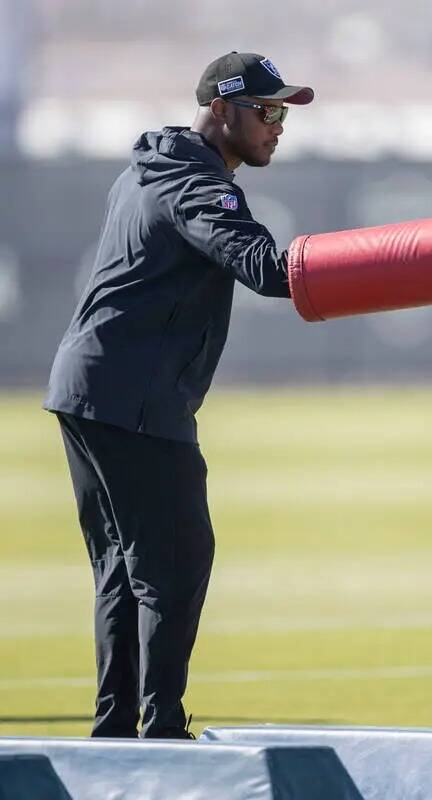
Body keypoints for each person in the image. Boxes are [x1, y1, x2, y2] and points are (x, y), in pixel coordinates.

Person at [43, 52, 313, 738]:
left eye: (283, 111)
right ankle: (159, 729)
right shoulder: (194, 181)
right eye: (266, 111)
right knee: (175, 562)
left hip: (90, 389)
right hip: (132, 398)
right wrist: (378, 266)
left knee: (124, 569)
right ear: (221, 111)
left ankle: (116, 731)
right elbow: (264, 269)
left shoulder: (158, 165)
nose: (277, 125)